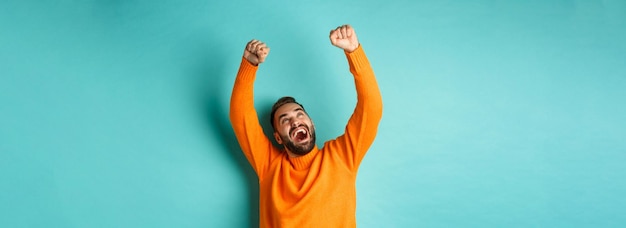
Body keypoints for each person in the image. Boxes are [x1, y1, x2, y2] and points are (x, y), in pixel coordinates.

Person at [229, 24, 382, 227]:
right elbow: (240, 115)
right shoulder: (269, 166)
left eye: (300, 114)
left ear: (312, 124)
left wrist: (354, 51)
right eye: (285, 120)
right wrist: (249, 64)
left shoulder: (342, 156)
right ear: (277, 137)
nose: (295, 121)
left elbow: (371, 108)